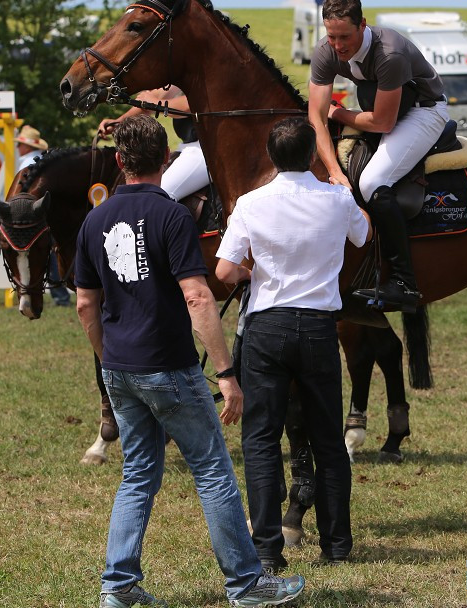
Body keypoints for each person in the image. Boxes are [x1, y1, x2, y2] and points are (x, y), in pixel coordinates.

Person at [74, 114, 304, 608]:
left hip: (121, 367)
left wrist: (107, 358)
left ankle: (118, 587)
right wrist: (225, 373)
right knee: (213, 471)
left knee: (137, 475)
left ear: (119, 162)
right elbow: (199, 298)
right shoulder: (174, 217)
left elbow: (84, 304)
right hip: (169, 368)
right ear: (167, 160)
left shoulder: (93, 220)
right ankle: (246, 585)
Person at [215, 116, 371, 571]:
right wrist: (342, 183)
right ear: (310, 155)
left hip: (267, 327)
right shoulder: (336, 198)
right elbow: (364, 233)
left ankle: (266, 549)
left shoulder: (249, 202)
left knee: (261, 440)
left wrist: (251, 273)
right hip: (319, 326)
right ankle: (337, 544)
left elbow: (225, 272)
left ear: (271, 156)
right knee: (327, 438)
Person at [307, 0, 449, 311]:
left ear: (363, 25)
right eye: (331, 36)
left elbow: (383, 122)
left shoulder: (390, 52)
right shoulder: (324, 51)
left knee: (372, 181)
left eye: (345, 37)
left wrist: (340, 114)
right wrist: (334, 172)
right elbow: (315, 115)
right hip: (380, 108)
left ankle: (404, 283)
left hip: (425, 111)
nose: (338, 45)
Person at [98, 85, 209, 202]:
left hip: (208, 150)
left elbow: (194, 103)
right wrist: (120, 121)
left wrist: (156, 103)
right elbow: (152, 98)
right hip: (188, 146)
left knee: (155, 195)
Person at [16, 125, 71, 306]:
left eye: (20, 144)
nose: (18, 148)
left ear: (27, 147)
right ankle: (61, 294)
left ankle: (51, 294)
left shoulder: (25, 163)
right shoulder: (43, 160)